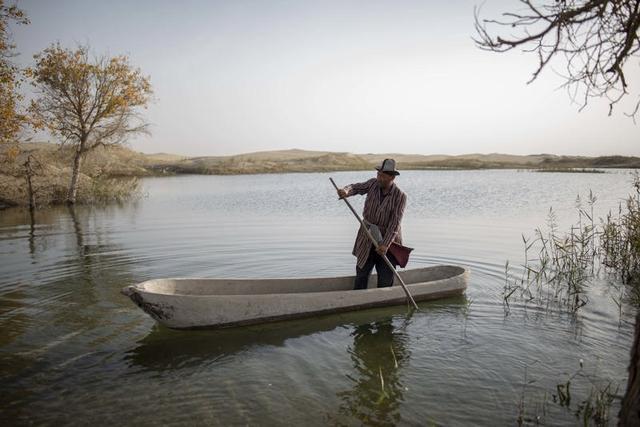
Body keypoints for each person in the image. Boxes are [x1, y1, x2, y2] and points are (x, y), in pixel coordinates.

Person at [337, 158, 407, 290]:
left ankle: (384, 300)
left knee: (385, 280)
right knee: (362, 274)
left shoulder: (400, 196)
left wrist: (384, 245)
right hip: (367, 236)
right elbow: (355, 187)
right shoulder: (372, 184)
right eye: (378, 175)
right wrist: (346, 191)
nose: (379, 179)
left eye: (383, 176)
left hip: (388, 242)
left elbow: (395, 223)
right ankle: (358, 299)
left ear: (392, 177)